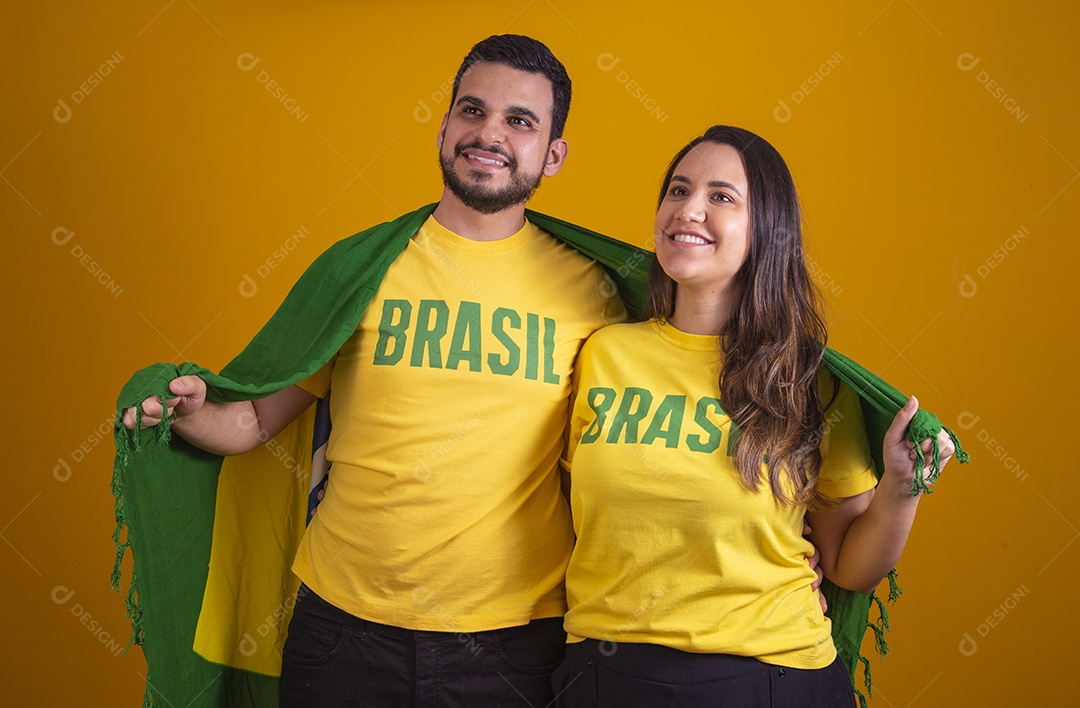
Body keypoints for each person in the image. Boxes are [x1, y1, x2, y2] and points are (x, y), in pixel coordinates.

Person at [122, 35, 625, 706]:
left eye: (519, 121)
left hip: (511, 645)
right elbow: (252, 420)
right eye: (471, 111)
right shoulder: (361, 268)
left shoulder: (592, 293)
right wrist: (190, 413)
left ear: (552, 155)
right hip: (342, 634)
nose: (489, 133)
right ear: (444, 125)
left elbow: (638, 444)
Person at [551, 125, 956, 707]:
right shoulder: (603, 354)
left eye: (721, 197)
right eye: (677, 190)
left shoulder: (806, 379)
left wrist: (903, 486)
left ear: (765, 229)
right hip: (602, 674)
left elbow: (847, 566)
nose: (688, 209)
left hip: (768, 679)